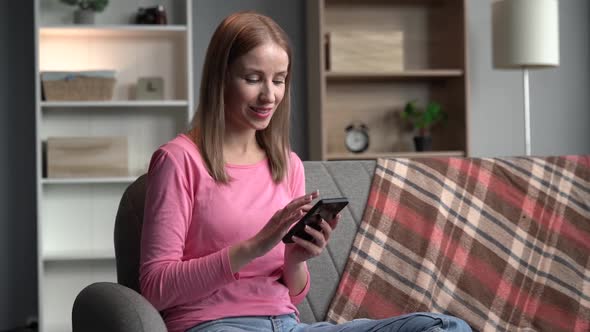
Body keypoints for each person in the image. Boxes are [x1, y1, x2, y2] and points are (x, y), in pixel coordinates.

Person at [139, 11, 472, 332]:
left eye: (279, 80)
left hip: (286, 323)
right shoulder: (178, 160)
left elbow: (294, 294)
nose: (269, 95)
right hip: (214, 324)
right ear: (220, 78)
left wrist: (295, 259)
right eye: (253, 79)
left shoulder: (287, 164)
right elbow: (154, 288)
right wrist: (253, 247)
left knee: (446, 327)